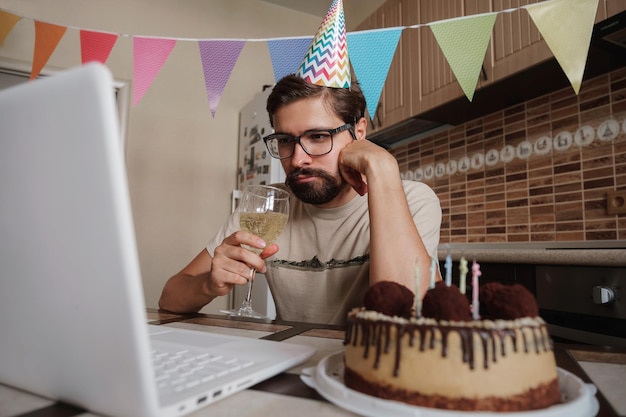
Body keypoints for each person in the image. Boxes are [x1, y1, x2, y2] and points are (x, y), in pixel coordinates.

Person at [159, 75, 442, 325]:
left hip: (367, 369)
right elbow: (169, 298)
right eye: (285, 140)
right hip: (286, 362)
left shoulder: (412, 199)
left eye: (318, 136)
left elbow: (410, 317)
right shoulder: (267, 208)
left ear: (359, 132)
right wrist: (209, 284)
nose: (297, 159)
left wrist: (383, 168)